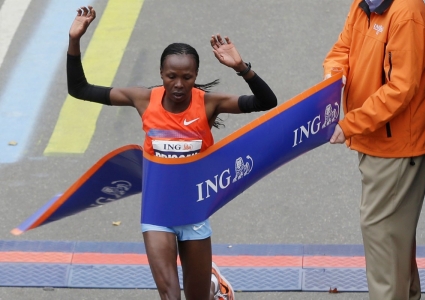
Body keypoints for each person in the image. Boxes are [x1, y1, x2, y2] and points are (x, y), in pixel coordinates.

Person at [67, 6, 277, 300]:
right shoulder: (143, 99)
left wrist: (241, 67)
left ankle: (214, 286)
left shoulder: (208, 104)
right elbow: (79, 89)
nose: (178, 85)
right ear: (161, 74)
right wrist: (74, 40)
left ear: (196, 75)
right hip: (157, 212)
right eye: (171, 76)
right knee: (170, 297)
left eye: (187, 77)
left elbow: (266, 102)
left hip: (194, 212)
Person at [324, 0, 425, 299]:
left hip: (398, 146)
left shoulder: (407, 14)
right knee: (392, 239)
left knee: (381, 235)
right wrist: (334, 78)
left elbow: (401, 88)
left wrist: (351, 123)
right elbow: (341, 51)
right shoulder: (363, 6)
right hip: (379, 140)